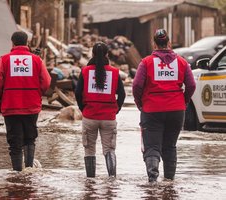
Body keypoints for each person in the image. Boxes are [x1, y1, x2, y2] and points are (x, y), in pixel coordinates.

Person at [132, 29, 196, 183]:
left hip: (152, 110)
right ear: (169, 42)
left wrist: (140, 103)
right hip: (176, 110)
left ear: (154, 44)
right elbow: (192, 85)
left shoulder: (146, 62)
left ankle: (152, 181)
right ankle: (169, 182)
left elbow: (136, 86)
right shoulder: (182, 62)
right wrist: (184, 101)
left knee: (152, 146)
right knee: (170, 146)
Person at [0, 31, 51, 171]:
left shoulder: (4, 60)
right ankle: (28, 171)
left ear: (12, 43)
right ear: (27, 42)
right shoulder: (36, 60)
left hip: (11, 107)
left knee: (15, 142)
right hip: (31, 107)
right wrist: (36, 93)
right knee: (29, 139)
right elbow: (46, 82)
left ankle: (17, 173)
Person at [75, 42, 126, 177]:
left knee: (89, 150)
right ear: (107, 55)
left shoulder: (85, 71)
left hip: (89, 116)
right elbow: (122, 94)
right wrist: (116, 109)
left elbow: (78, 93)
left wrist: (83, 109)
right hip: (108, 117)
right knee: (109, 150)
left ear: (92, 54)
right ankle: (112, 181)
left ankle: (90, 182)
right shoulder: (115, 72)